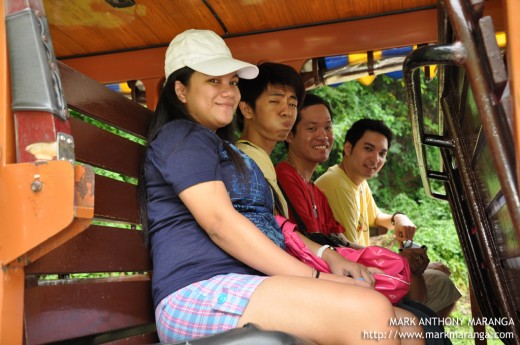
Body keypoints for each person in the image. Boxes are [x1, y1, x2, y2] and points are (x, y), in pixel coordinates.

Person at [138, 29, 424, 345]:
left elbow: (272, 223)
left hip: (244, 286)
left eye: (232, 82)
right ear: (180, 90)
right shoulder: (182, 137)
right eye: (213, 81)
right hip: (199, 294)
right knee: (370, 311)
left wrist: (327, 256)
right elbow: (220, 223)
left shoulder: (227, 150)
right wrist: (316, 278)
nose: (229, 91)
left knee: (407, 324)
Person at [315, 118, 462, 318]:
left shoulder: (356, 182)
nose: (376, 159)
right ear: (348, 148)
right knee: (441, 283)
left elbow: (375, 216)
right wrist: (401, 261)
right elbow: (348, 249)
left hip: (365, 268)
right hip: (355, 278)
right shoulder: (337, 185)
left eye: (382, 154)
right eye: (368, 149)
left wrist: (398, 218)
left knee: (439, 273)